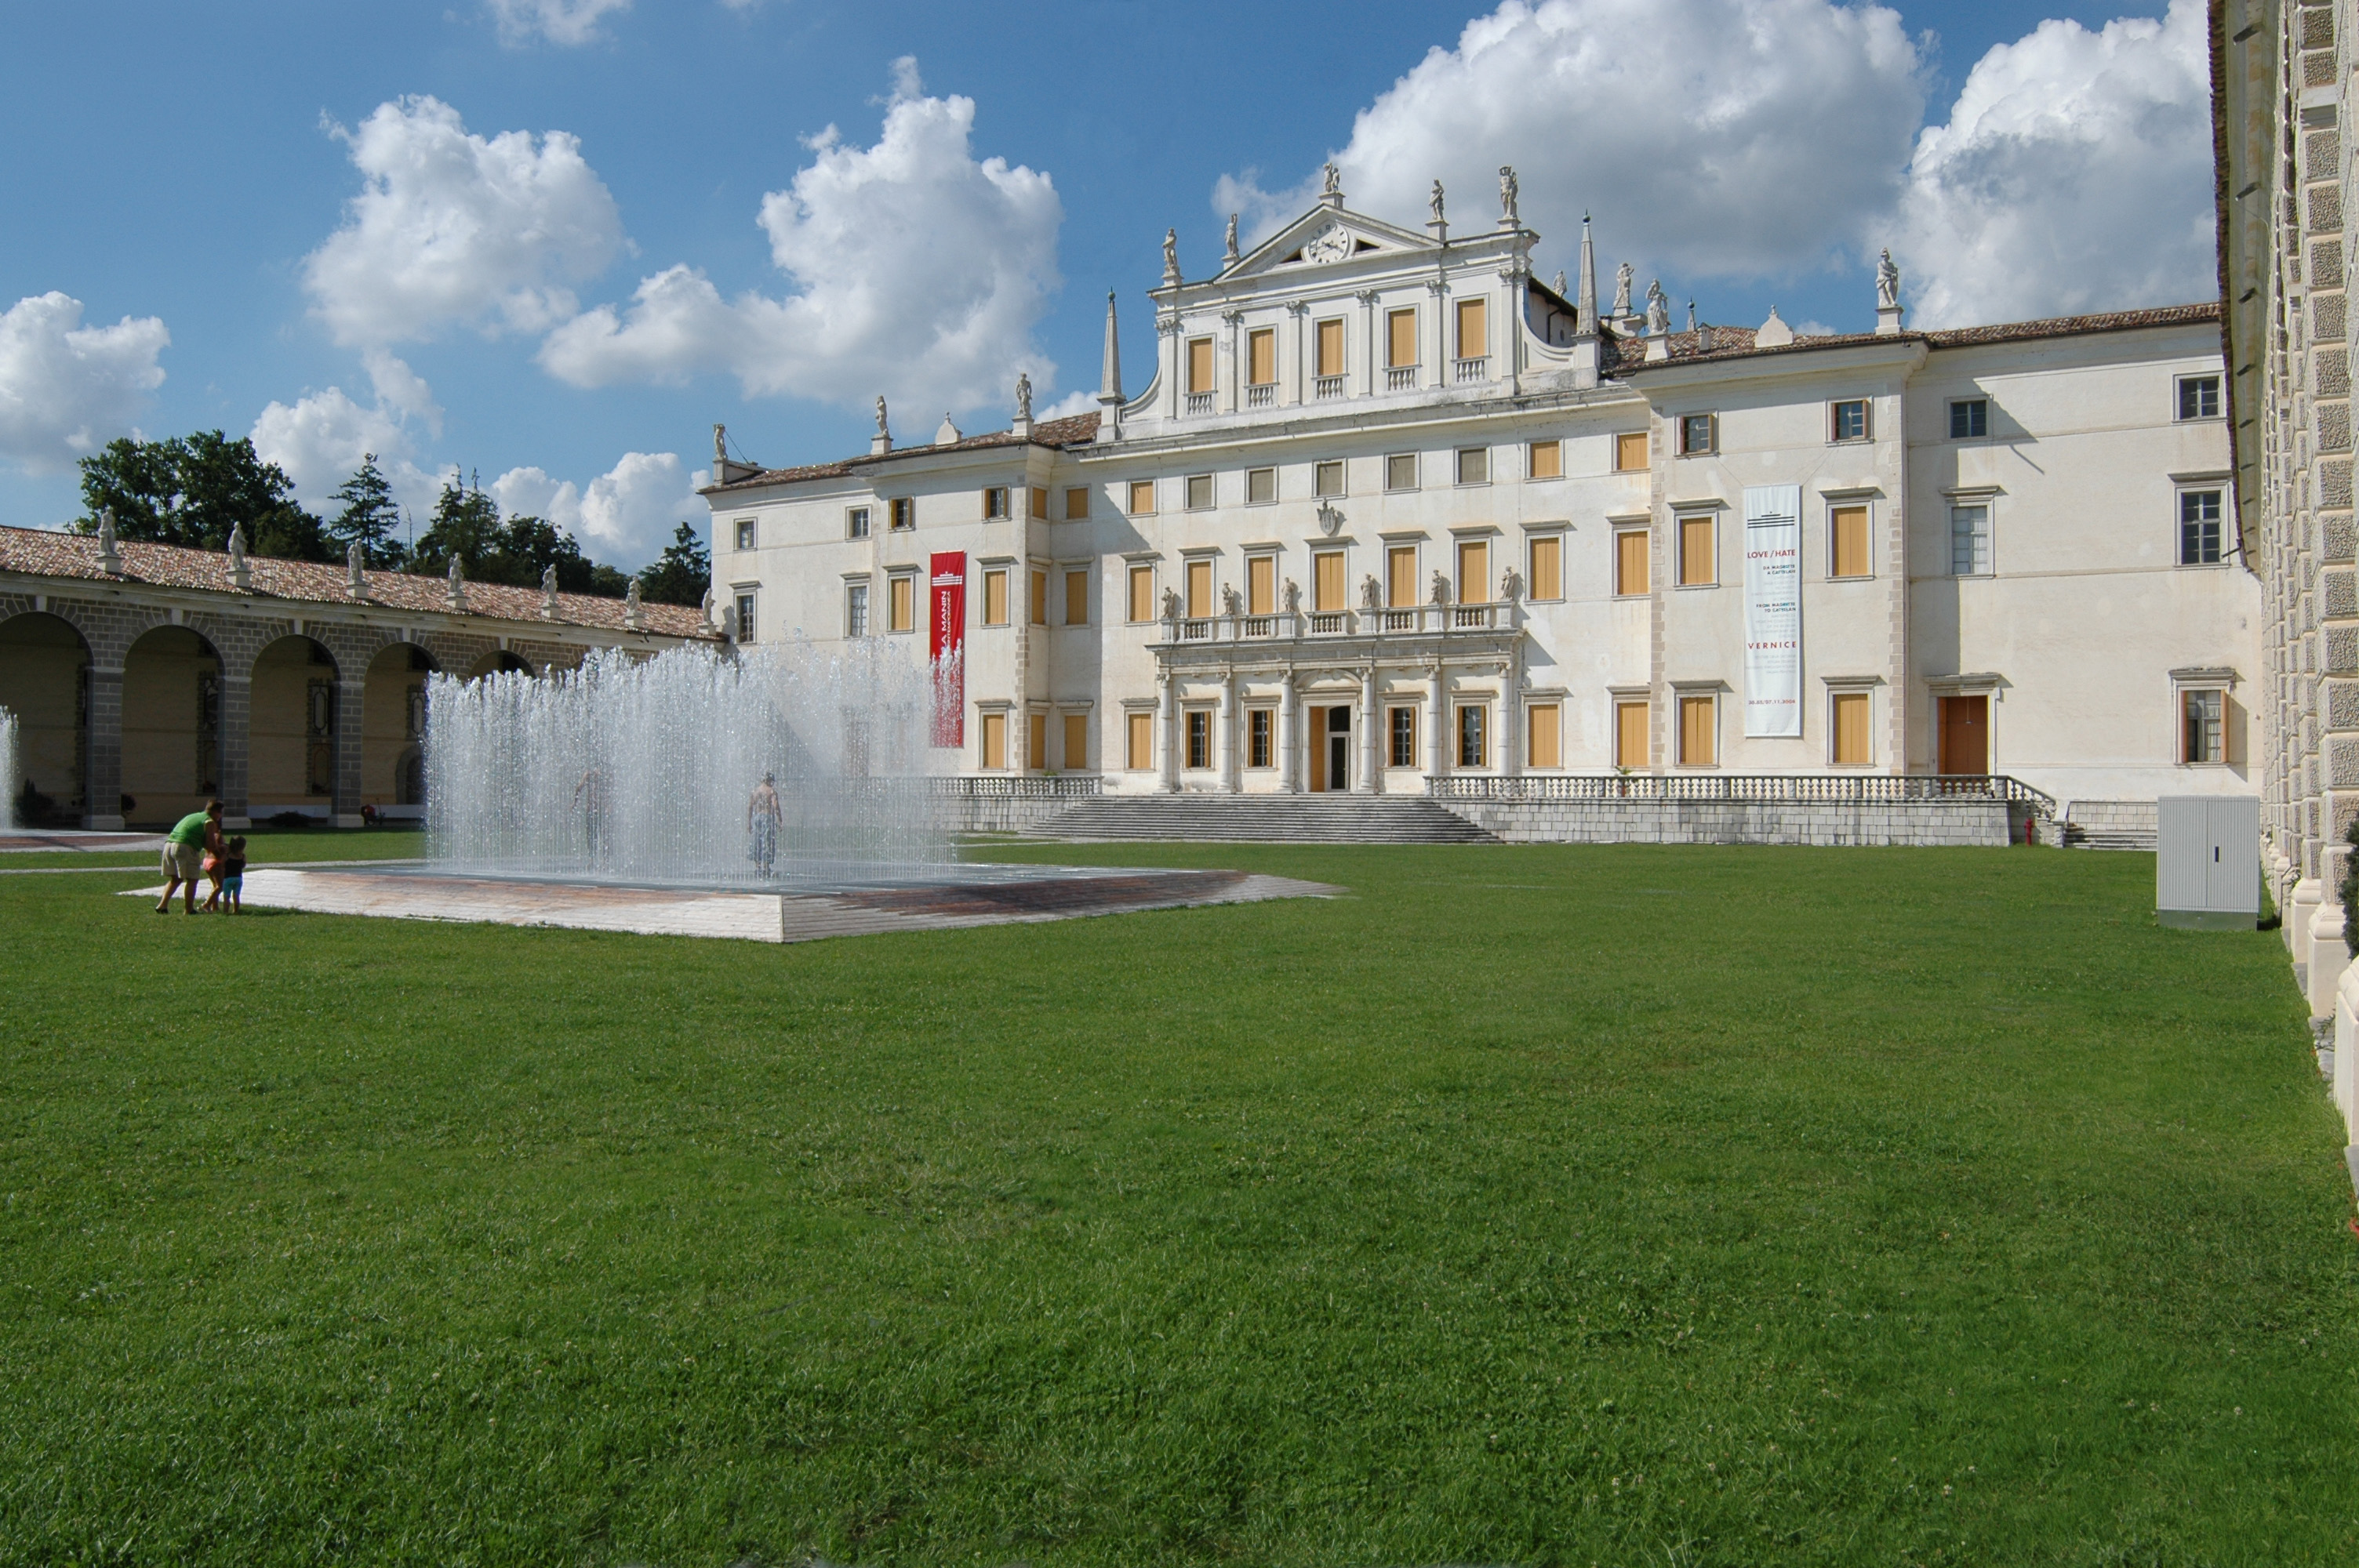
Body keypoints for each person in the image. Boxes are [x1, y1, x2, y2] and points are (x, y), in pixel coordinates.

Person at [156, 800, 223, 914]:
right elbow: (210, 845)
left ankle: (162, 905)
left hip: (169, 845)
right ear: (217, 812)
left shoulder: (193, 816)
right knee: (192, 879)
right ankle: (189, 909)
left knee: (176, 879)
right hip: (185, 847)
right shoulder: (209, 821)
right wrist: (219, 857)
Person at [747, 771, 782, 879]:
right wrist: (780, 820)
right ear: (769, 781)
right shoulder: (771, 792)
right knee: (768, 842)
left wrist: (749, 823)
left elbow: (750, 807)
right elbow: (775, 806)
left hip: (757, 817)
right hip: (768, 817)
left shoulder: (755, 791)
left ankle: (757, 867)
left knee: (757, 841)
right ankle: (766, 868)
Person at [205, 835, 247, 915]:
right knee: (236, 896)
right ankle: (236, 911)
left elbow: (222, 864)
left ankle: (226, 912)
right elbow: (243, 865)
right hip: (238, 878)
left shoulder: (227, 856)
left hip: (228, 879)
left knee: (227, 897)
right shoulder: (243, 856)